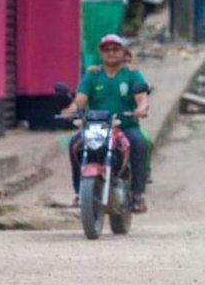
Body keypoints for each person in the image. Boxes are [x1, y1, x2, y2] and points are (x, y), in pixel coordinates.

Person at [62, 34, 150, 213]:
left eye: (116, 49)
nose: (111, 53)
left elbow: (142, 98)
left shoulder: (132, 74)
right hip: (97, 128)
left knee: (140, 143)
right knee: (75, 145)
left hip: (125, 127)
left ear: (124, 52)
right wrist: (70, 111)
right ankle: (80, 192)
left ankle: (137, 195)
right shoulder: (93, 75)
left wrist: (141, 108)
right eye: (106, 49)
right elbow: (80, 100)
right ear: (101, 53)